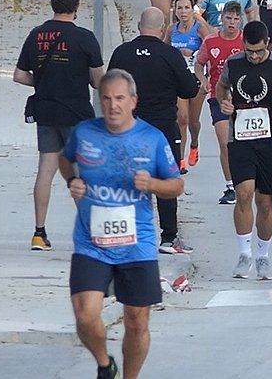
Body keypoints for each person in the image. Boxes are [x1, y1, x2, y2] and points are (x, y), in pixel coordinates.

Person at [59, 69, 183, 379]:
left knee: (137, 321)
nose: (113, 105)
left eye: (119, 98)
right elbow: (65, 158)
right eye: (106, 98)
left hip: (136, 245)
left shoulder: (152, 138)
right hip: (92, 242)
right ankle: (105, 364)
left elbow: (176, 185)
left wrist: (153, 184)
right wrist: (72, 179)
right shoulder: (85, 132)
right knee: (85, 317)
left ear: (133, 101)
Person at [14, 0, 104, 251]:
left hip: (46, 110)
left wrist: (43, 82)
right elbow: (98, 81)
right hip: (77, 113)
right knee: (79, 173)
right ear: (76, 7)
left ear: (52, 4)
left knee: (45, 170)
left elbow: (19, 75)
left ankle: (39, 233)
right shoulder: (85, 38)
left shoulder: (36, 35)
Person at [107, 8, 200, 253]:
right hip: (161, 128)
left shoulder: (122, 53)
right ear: (162, 29)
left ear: (139, 26)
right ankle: (168, 237)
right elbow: (189, 89)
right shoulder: (170, 55)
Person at [218, 21, 272, 280]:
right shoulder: (233, 63)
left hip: (270, 141)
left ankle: (262, 256)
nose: (253, 56)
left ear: (268, 43)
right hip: (240, 138)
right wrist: (225, 102)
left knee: (264, 202)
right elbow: (221, 87)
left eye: (258, 51)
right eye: (249, 51)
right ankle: (244, 254)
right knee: (243, 193)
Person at [195, 1, 246, 204]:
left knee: (244, 143)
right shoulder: (210, 41)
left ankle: (246, 180)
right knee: (225, 143)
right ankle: (230, 186)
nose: (232, 23)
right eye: (228, 18)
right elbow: (199, 64)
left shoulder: (245, 41)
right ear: (221, 18)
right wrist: (204, 80)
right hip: (219, 97)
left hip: (244, 99)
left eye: (236, 19)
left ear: (240, 21)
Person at [165, 0, 213, 172]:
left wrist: (194, 54)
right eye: (180, 8)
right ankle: (180, 160)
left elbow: (211, 49)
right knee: (181, 119)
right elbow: (165, 49)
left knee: (193, 121)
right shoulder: (172, 29)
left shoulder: (199, 29)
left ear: (192, 10)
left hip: (197, 78)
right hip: (178, 79)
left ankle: (194, 143)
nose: (183, 11)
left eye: (187, 7)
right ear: (175, 11)